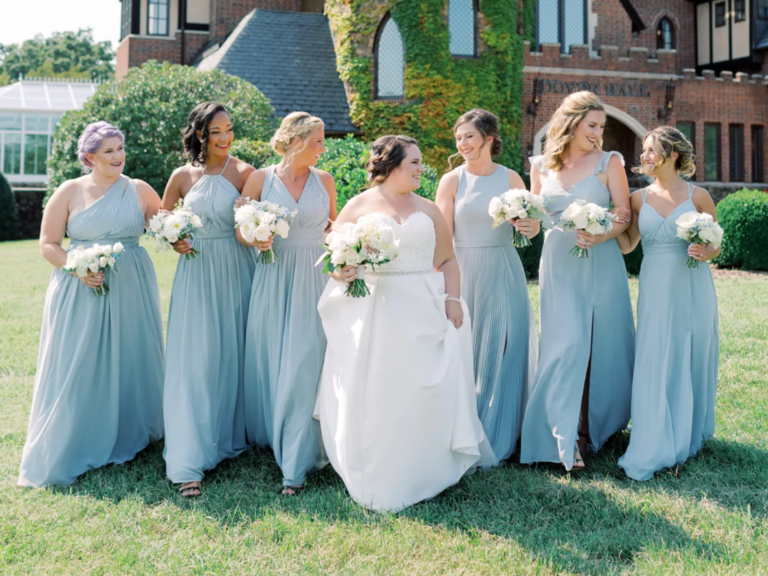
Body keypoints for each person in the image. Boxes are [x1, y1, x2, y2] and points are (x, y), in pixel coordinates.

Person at [314, 135, 496, 512]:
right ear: (392, 165)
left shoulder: (428, 209)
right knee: (380, 388)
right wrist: (343, 271)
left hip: (423, 307)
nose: (421, 169)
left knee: (424, 387)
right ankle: (378, 467)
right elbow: (334, 259)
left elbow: (447, 261)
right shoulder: (358, 205)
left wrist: (452, 301)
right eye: (414, 162)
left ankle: (427, 466)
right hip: (374, 311)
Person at [18, 121, 164, 487]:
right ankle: (76, 435)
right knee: (77, 360)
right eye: (109, 151)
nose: (118, 156)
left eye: (120, 148)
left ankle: (131, 430)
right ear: (90, 157)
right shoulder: (69, 191)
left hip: (132, 286)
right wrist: (77, 268)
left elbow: (165, 228)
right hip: (78, 288)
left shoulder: (140, 189)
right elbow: (49, 243)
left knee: (131, 353)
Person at [519, 91, 634, 471]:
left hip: (600, 262)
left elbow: (623, 214)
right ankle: (561, 435)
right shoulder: (541, 165)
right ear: (570, 123)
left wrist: (600, 234)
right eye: (592, 125)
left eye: (602, 126)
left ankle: (591, 429)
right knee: (566, 345)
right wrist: (524, 222)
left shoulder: (609, 162)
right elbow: (536, 221)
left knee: (601, 345)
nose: (598, 133)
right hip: (558, 264)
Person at [238, 112, 338, 494]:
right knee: (273, 355)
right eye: (318, 141)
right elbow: (239, 228)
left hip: (314, 277)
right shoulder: (260, 180)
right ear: (297, 142)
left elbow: (332, 229)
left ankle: (297, 459)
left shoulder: (323, 180)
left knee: (305, 359)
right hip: (274, 274)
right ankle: (271, 431)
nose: (323, 148)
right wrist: (254, 237)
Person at [162, 102, 257, 497]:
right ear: (200, 133)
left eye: (229, 130)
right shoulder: (182, 176)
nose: (225, 138)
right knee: (195, 359)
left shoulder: (245, 172)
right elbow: (164, 216)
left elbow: (254, 223)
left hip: (238, 269)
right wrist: (174, 238)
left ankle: (231, 434)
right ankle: (188, 455)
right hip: (197, 272)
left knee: (234, 352)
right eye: (216, 131)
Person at [617, 126, 719, 481]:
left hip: (692, 285)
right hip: (655, 287)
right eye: (643, 151)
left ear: (673, 154)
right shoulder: (638, 199)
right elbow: (627, 244)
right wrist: (591, 227)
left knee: (691, 350)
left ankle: (690, 429)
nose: (643, 157)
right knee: (655, 352)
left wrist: (706, 252)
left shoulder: (700, 196)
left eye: (650, 150)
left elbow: (716, 242)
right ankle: (655, 429)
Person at [436, 109, 539, 462]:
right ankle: (466, 431)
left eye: (468, 136)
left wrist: (529, 227)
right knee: (468, 347)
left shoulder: (511, 178)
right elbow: (442, 237)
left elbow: (532, 223)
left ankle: (502, 431)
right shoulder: (452, 181)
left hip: (502, 266)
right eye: (459, 138)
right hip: (463, 269)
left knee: (505, 344)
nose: (462, 144)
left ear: (489, 138)